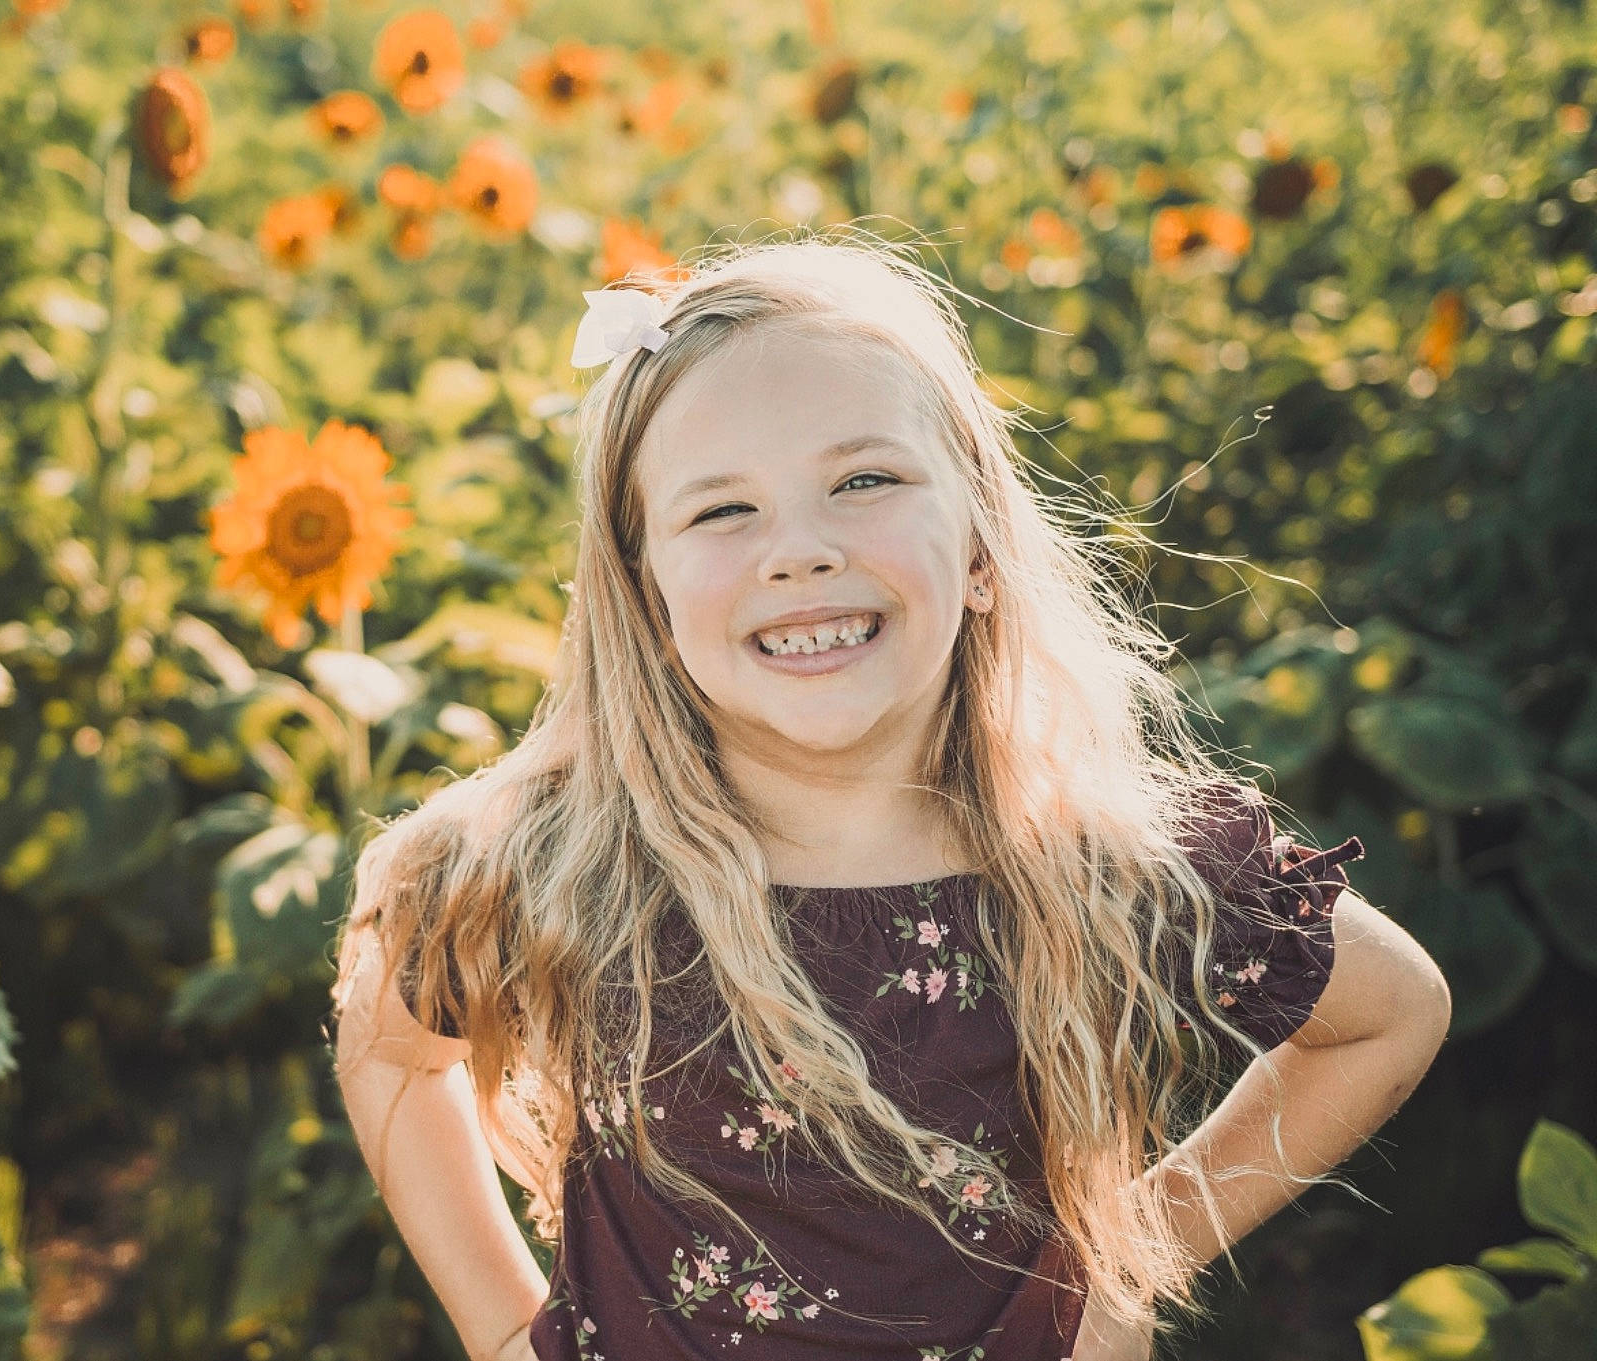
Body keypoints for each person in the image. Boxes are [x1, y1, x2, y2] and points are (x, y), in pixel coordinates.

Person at [328, 229, 1452, 1361]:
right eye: (723, 510)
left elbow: (1387, 1013)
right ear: (643, 591)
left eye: (862, 480)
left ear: (976, 547)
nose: (799, 552)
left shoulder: (1090, 853)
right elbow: (388, 1048)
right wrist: (496, 1326)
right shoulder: (561, 856)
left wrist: (1125, 1267)